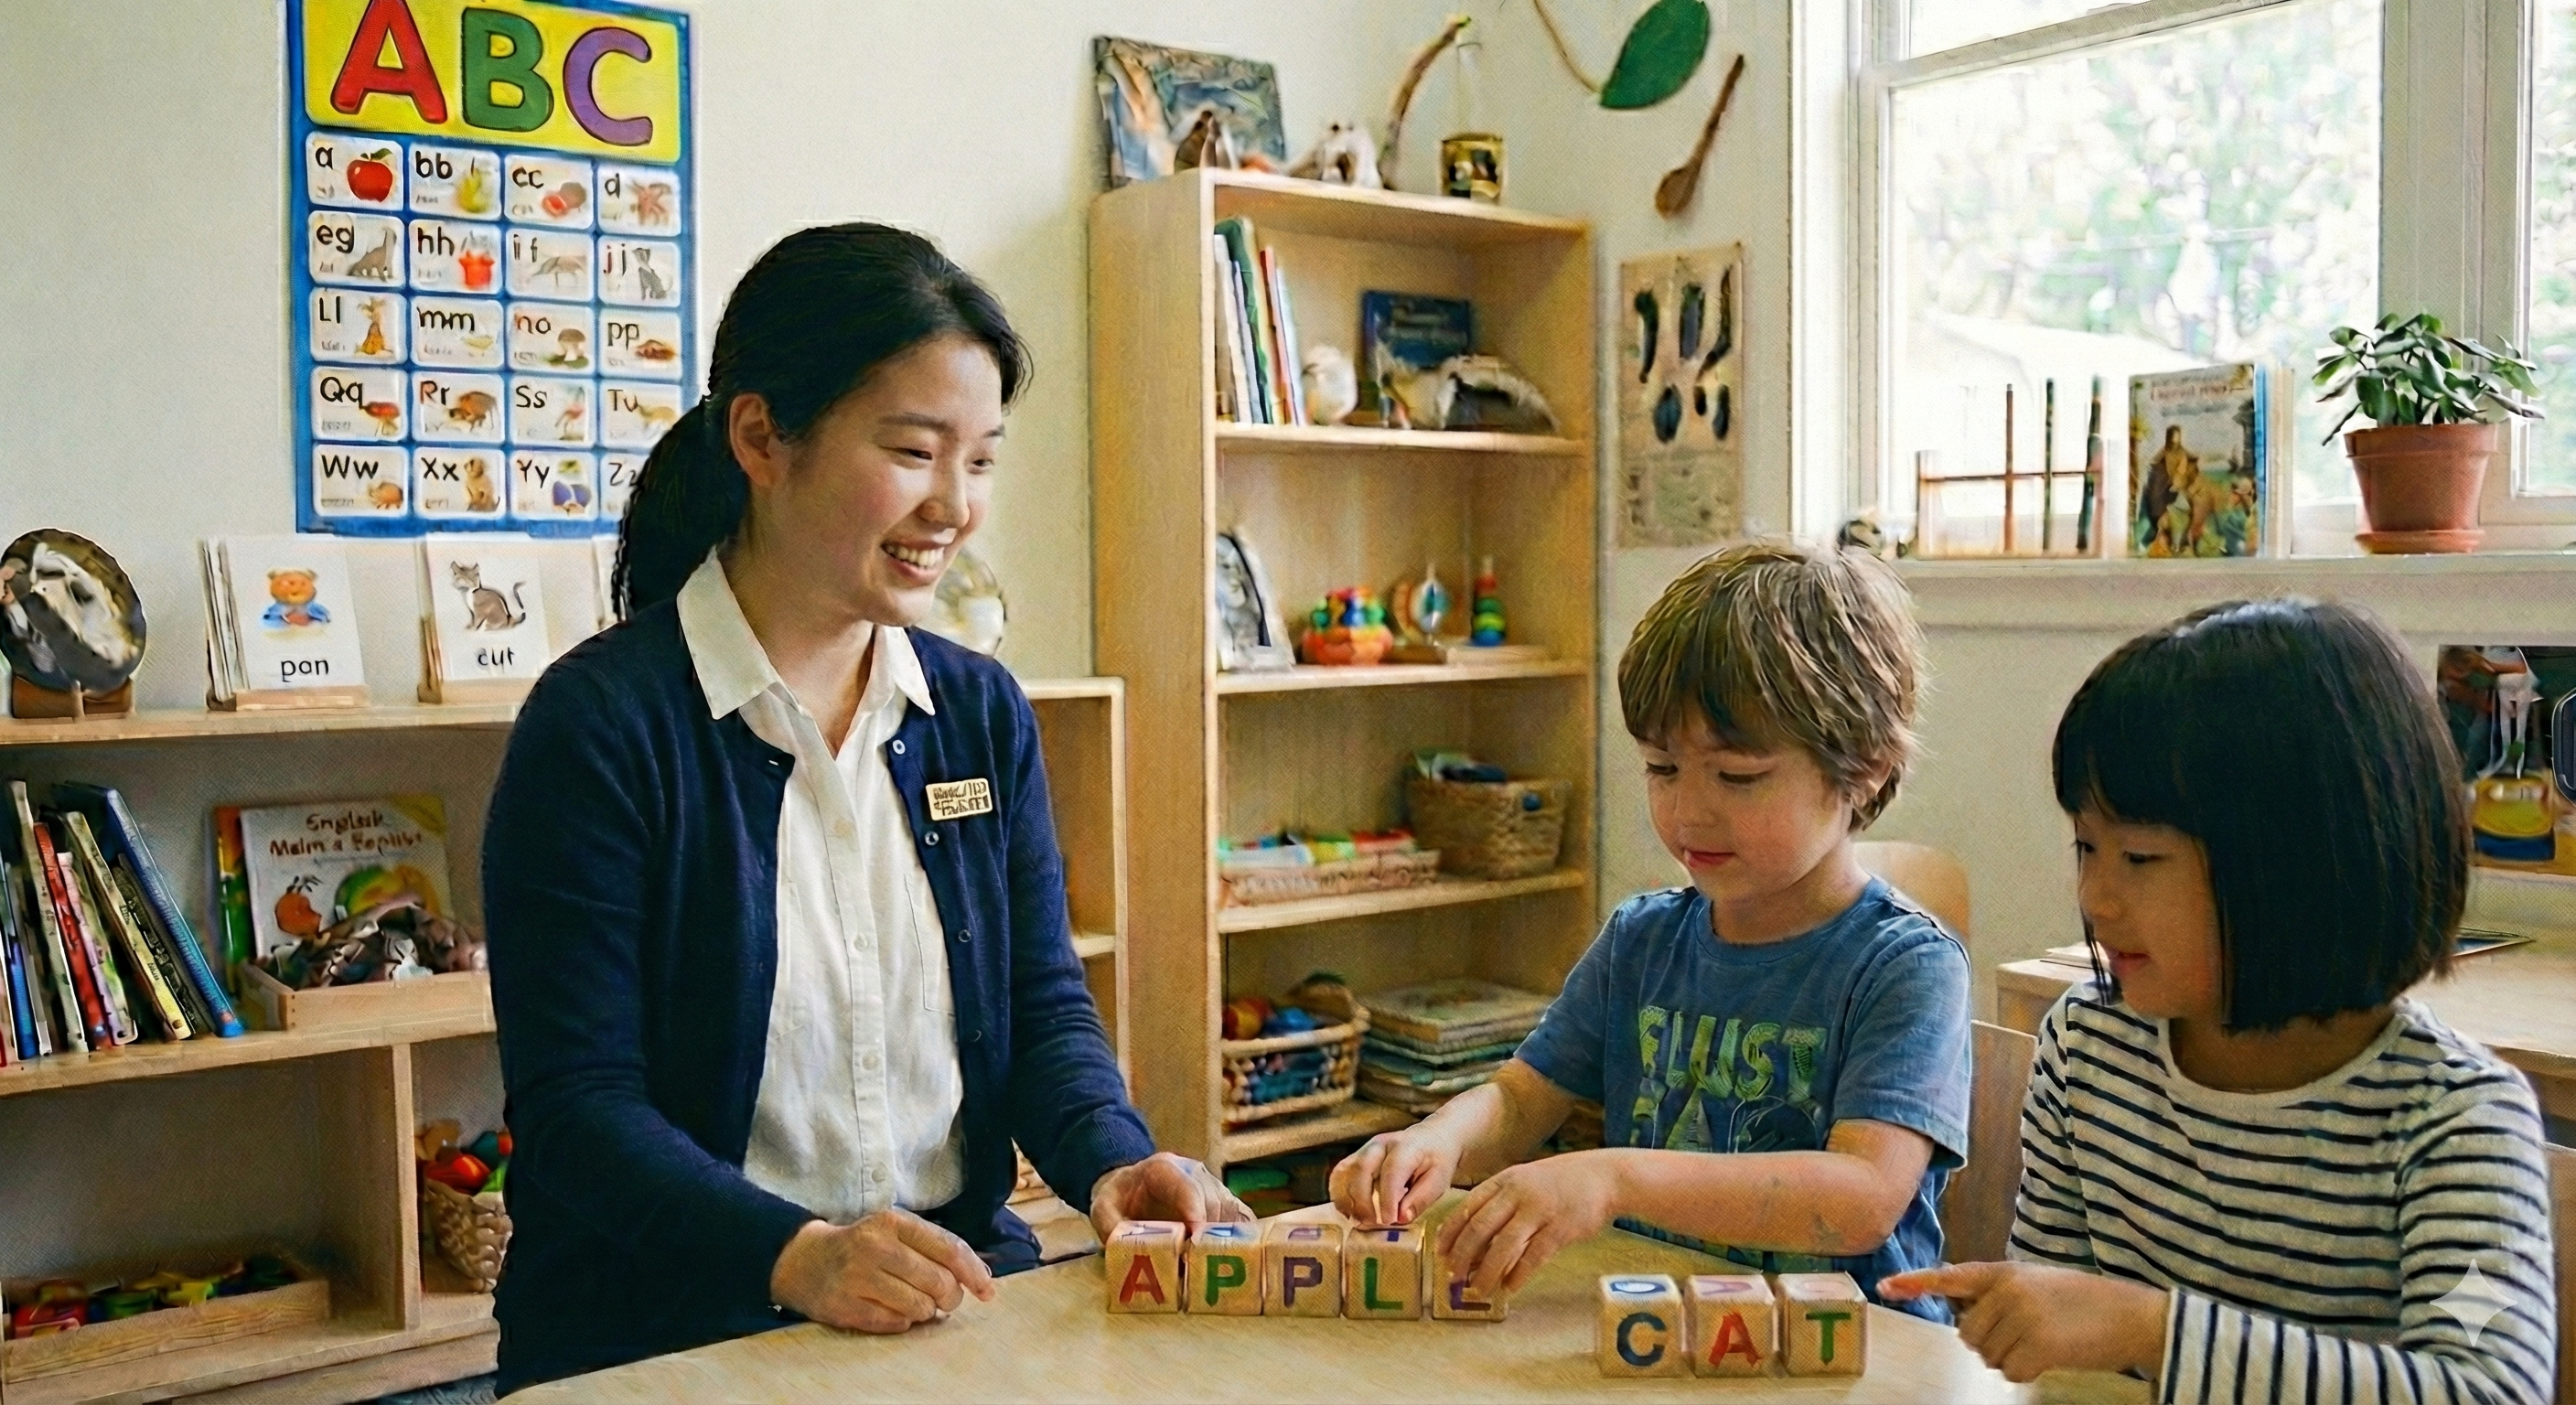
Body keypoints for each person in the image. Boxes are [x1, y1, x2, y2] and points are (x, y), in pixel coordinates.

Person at [481, 223, 1244, 1395]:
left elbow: (1041, 1011)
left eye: (981, 460)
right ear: (760, 437)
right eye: (912, 450)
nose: (955, 506)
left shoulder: (979, 713)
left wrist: (1113, 1161)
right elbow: (580, 1108)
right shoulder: (601, 726)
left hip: (953, 1298)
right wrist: (796, 1258)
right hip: (666, 1326)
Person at [1884, 599, 2558, 1405]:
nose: (2095, 896)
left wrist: (2155, 1330)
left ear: (2305, 864)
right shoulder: (2090, 1051)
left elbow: (2487, 1388)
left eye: (2139, 856)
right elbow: (2061, 1351)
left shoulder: (2457, 1121)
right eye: (2086, 847)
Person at [1329, 540, 1971, 1318]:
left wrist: (1612, 1178)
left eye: (1737, 777)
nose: (1688, 812)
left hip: (1855, 1361)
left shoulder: (1906, 966)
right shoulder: (1642, 940)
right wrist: (1437, 1141)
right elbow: (1520, 1101)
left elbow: (1862, 1197)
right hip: (1661, 1336)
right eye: (1662, 769)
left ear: (1862, 770)